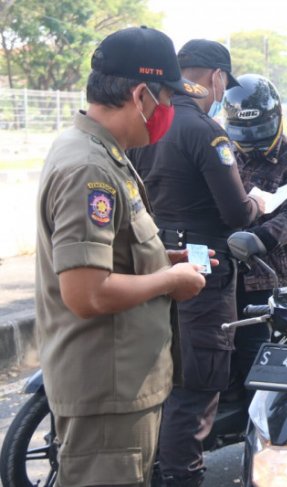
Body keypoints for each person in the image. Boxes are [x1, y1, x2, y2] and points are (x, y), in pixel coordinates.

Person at [34, 26, 209, 486]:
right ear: (140, 95)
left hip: (121, 383)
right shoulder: (90, 168)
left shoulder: (104, 153)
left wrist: (160, 261)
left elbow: (111, 254)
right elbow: (86, 293)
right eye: (167, 99)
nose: (169, 111)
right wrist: (170, 281)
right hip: (107, 391)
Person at [127, 39, 262, 486]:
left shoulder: (147, 125)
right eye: (224, 84)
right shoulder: (205, 131)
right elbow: (235, 213)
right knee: (195, 390)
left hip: (152, 264)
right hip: (202, 275)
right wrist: (258, 203)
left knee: (155, 386)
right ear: (217, 77)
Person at [223, 74, 287, 411]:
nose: (250, 148)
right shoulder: (227, 150)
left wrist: (255, 240)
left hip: (269, 276)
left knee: (257, 360)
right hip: (228, 272)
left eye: (258, 139)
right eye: (243, 141)